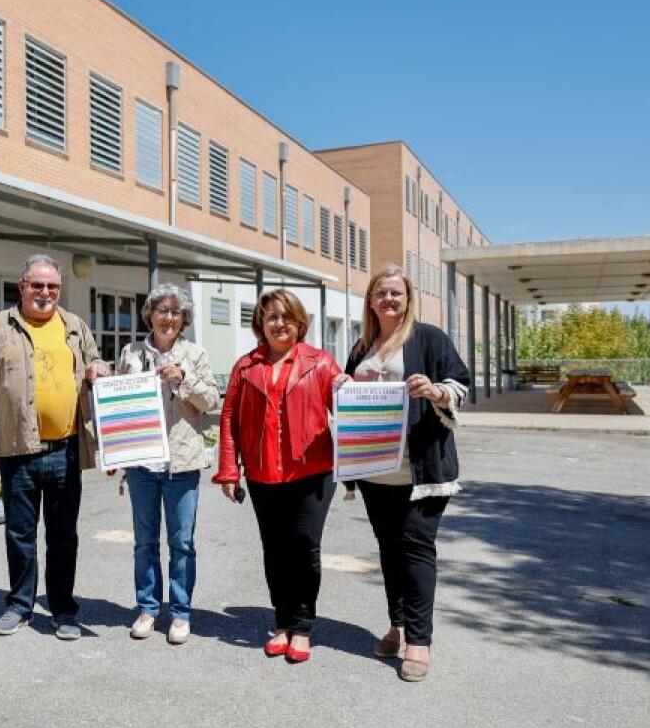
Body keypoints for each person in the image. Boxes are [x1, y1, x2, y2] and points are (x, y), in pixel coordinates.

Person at [0, 254, 110, 641]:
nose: (45, 293)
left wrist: (100, 368)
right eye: (37, 285)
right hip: (17, 450)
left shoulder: (75, 326)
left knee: (63, 536)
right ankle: (19, 605)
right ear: (22, 286)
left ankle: (63, 609)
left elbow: (95, 361)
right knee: (20, 533)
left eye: (52, 286)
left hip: (66, 450)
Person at [337, 264, 469, 682]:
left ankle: (419, 641)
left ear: (408, 298)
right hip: (376, 472)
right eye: (381, 293)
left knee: (415, 549)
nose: (388, 300)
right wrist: (342, 384)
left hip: (422, 472)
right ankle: (396, 624)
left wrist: (435, 390)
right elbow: (346, 401)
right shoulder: (361, 348)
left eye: (396, 293)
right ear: (371, 301)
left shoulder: (428, 338)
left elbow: (461, 383)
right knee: (389, 551)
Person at [214, 289, 343, 664]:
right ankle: (282, 623)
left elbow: (350, 408)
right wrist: (228, 469)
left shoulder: (320, 363)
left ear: (300, 322)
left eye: (287, 316)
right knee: (275, 549)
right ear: (261, 323)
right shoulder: (245, 366)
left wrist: (354, 391)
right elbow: (228, 418)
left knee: (304, 547)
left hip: (313, 473)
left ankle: (302, 627)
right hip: (262, 474)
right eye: (271, 316)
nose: (279, 323)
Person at [115, 284, 219, 645]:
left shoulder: (195, 353)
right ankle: (147, 607)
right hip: (142, 464)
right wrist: (117, 454)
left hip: (182, 462)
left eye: (176, 312)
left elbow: (212, 402)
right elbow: (118, 406)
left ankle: (180, 613)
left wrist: (185, 379)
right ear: (150, 315)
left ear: (184, 319)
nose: (169, 318)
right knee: (144, 542)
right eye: (162, 310)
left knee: (182, 543)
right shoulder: (130, 352)